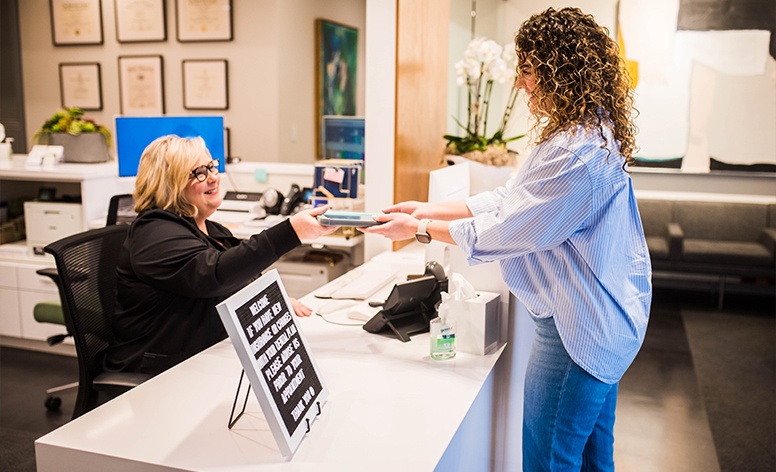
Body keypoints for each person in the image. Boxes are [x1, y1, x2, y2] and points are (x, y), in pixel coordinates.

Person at [363, 7, 651, 471]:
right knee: (597, 458)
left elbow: (509, 229)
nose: (520, 84)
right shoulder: (585, 132)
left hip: (579, 330)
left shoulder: (577, 154)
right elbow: (515, 198)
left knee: (548, 461)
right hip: (606, 319)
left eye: (528, 70)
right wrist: (428, 209)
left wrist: (416, 230)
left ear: (559, 70)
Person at [104, 135, 338, 377]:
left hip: (204, 358)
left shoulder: (209, 229)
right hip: (159, 373)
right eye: (199, 172)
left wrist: (273, 300)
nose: (214, 177)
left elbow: (241, 274)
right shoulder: (154, 232)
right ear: (170, 184)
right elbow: (213, 275)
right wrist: (291, 232)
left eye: (212, 167)